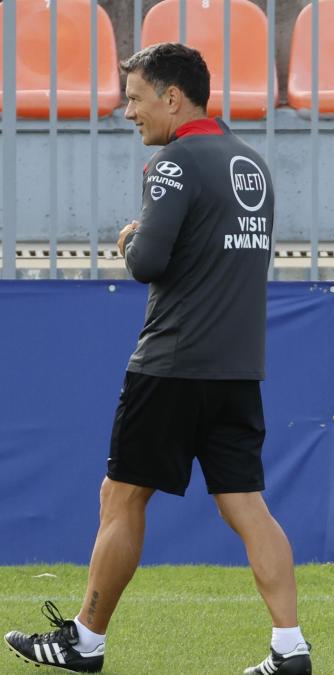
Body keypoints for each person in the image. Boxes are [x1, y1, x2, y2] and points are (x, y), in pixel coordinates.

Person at [2, 43, 311, 675]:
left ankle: (85, 641)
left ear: (172, 98)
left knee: (120, 497)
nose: (128, 112)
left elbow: (147, 262)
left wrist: (130, 237)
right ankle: (290, 646)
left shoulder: (172, 164)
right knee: (247, 504)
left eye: (136, 98)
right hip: (238, 368)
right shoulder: (252, 164)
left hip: (170, 364)